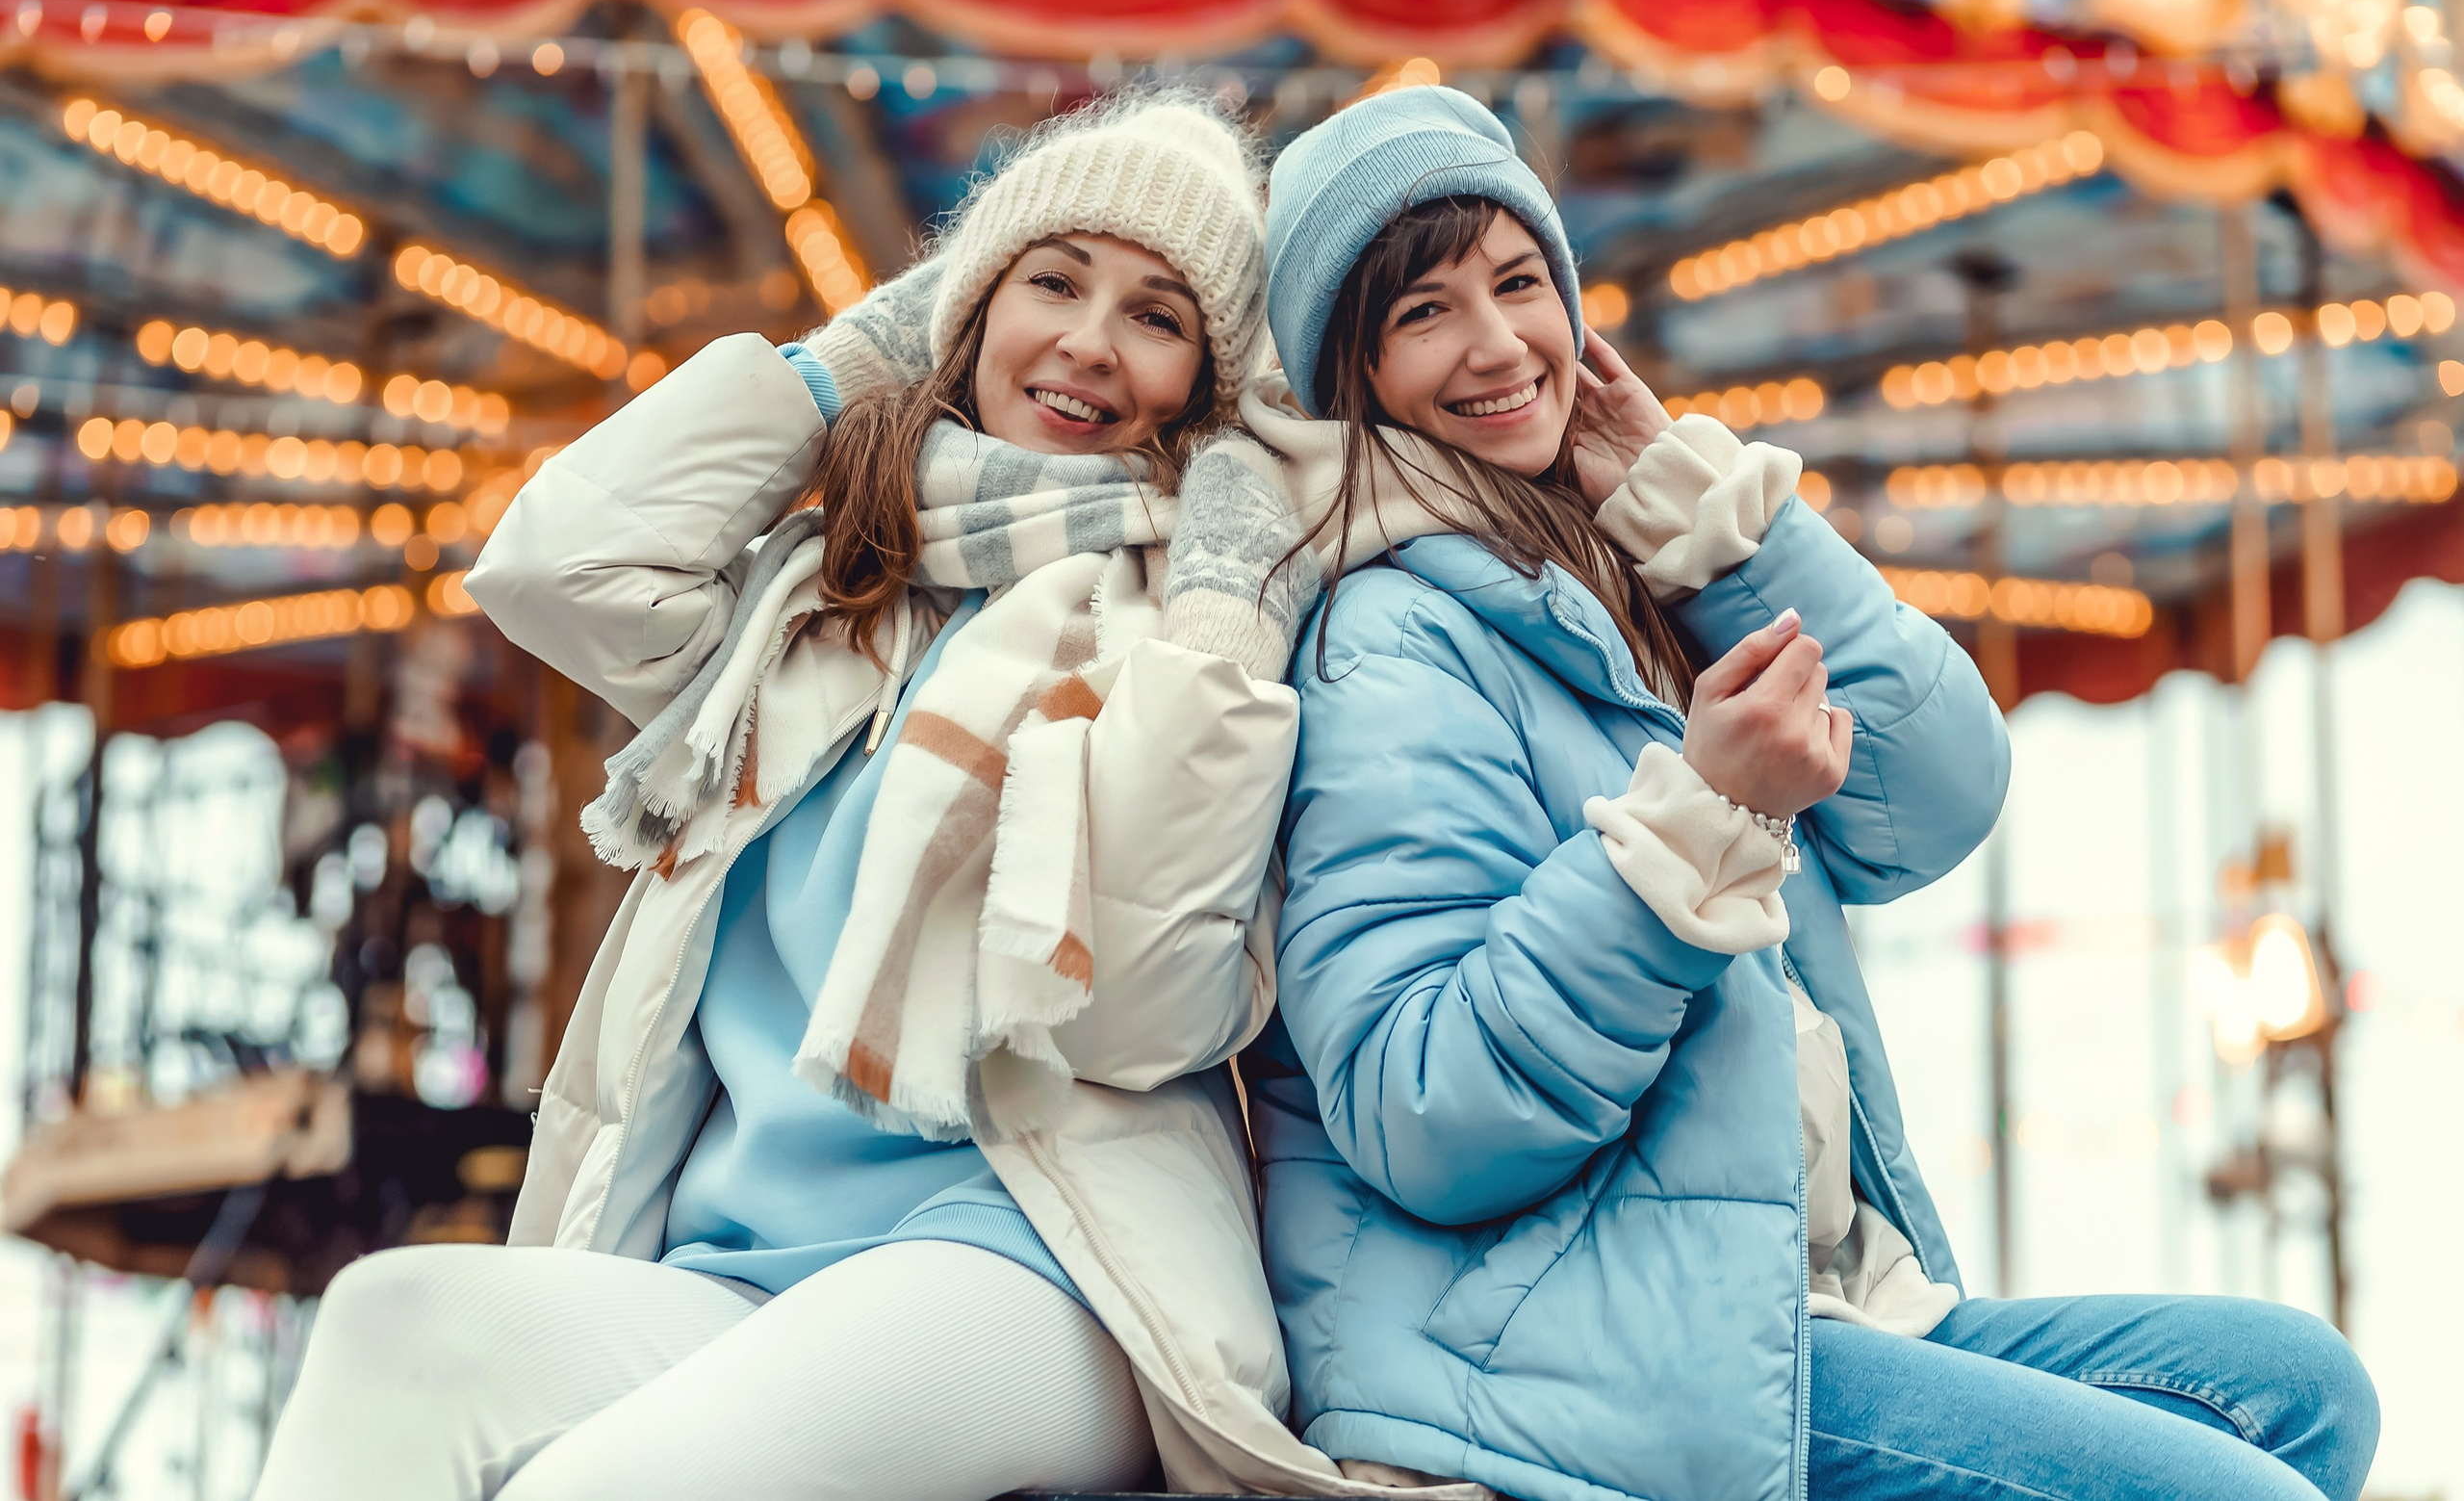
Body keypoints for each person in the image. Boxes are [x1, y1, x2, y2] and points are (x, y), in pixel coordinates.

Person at [252, 91, 1444, 1501]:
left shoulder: (1178, 631)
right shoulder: (823, 603)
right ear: (968, 305)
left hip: (1030, 1263)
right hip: (742, 1261)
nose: (1087, 341)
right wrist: (835, 371)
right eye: (1051, 281)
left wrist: (1226, 617)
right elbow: (553, 568)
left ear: (1205, 380)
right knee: (390, 1325)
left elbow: (1150, 1008)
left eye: (1157, 315)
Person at [1244, 85, 2380, 1501]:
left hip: (1772, 1296)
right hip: (1565, 1359)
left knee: (2299, 1388)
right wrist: (1695, 828)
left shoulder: (1608, 581)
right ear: (1350, 373)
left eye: (1520, 283)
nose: (1498, 343)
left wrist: (1708, 530)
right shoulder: (1389, 641)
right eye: (1425, 312)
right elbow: (1425, 1108)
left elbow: (1936, 794)